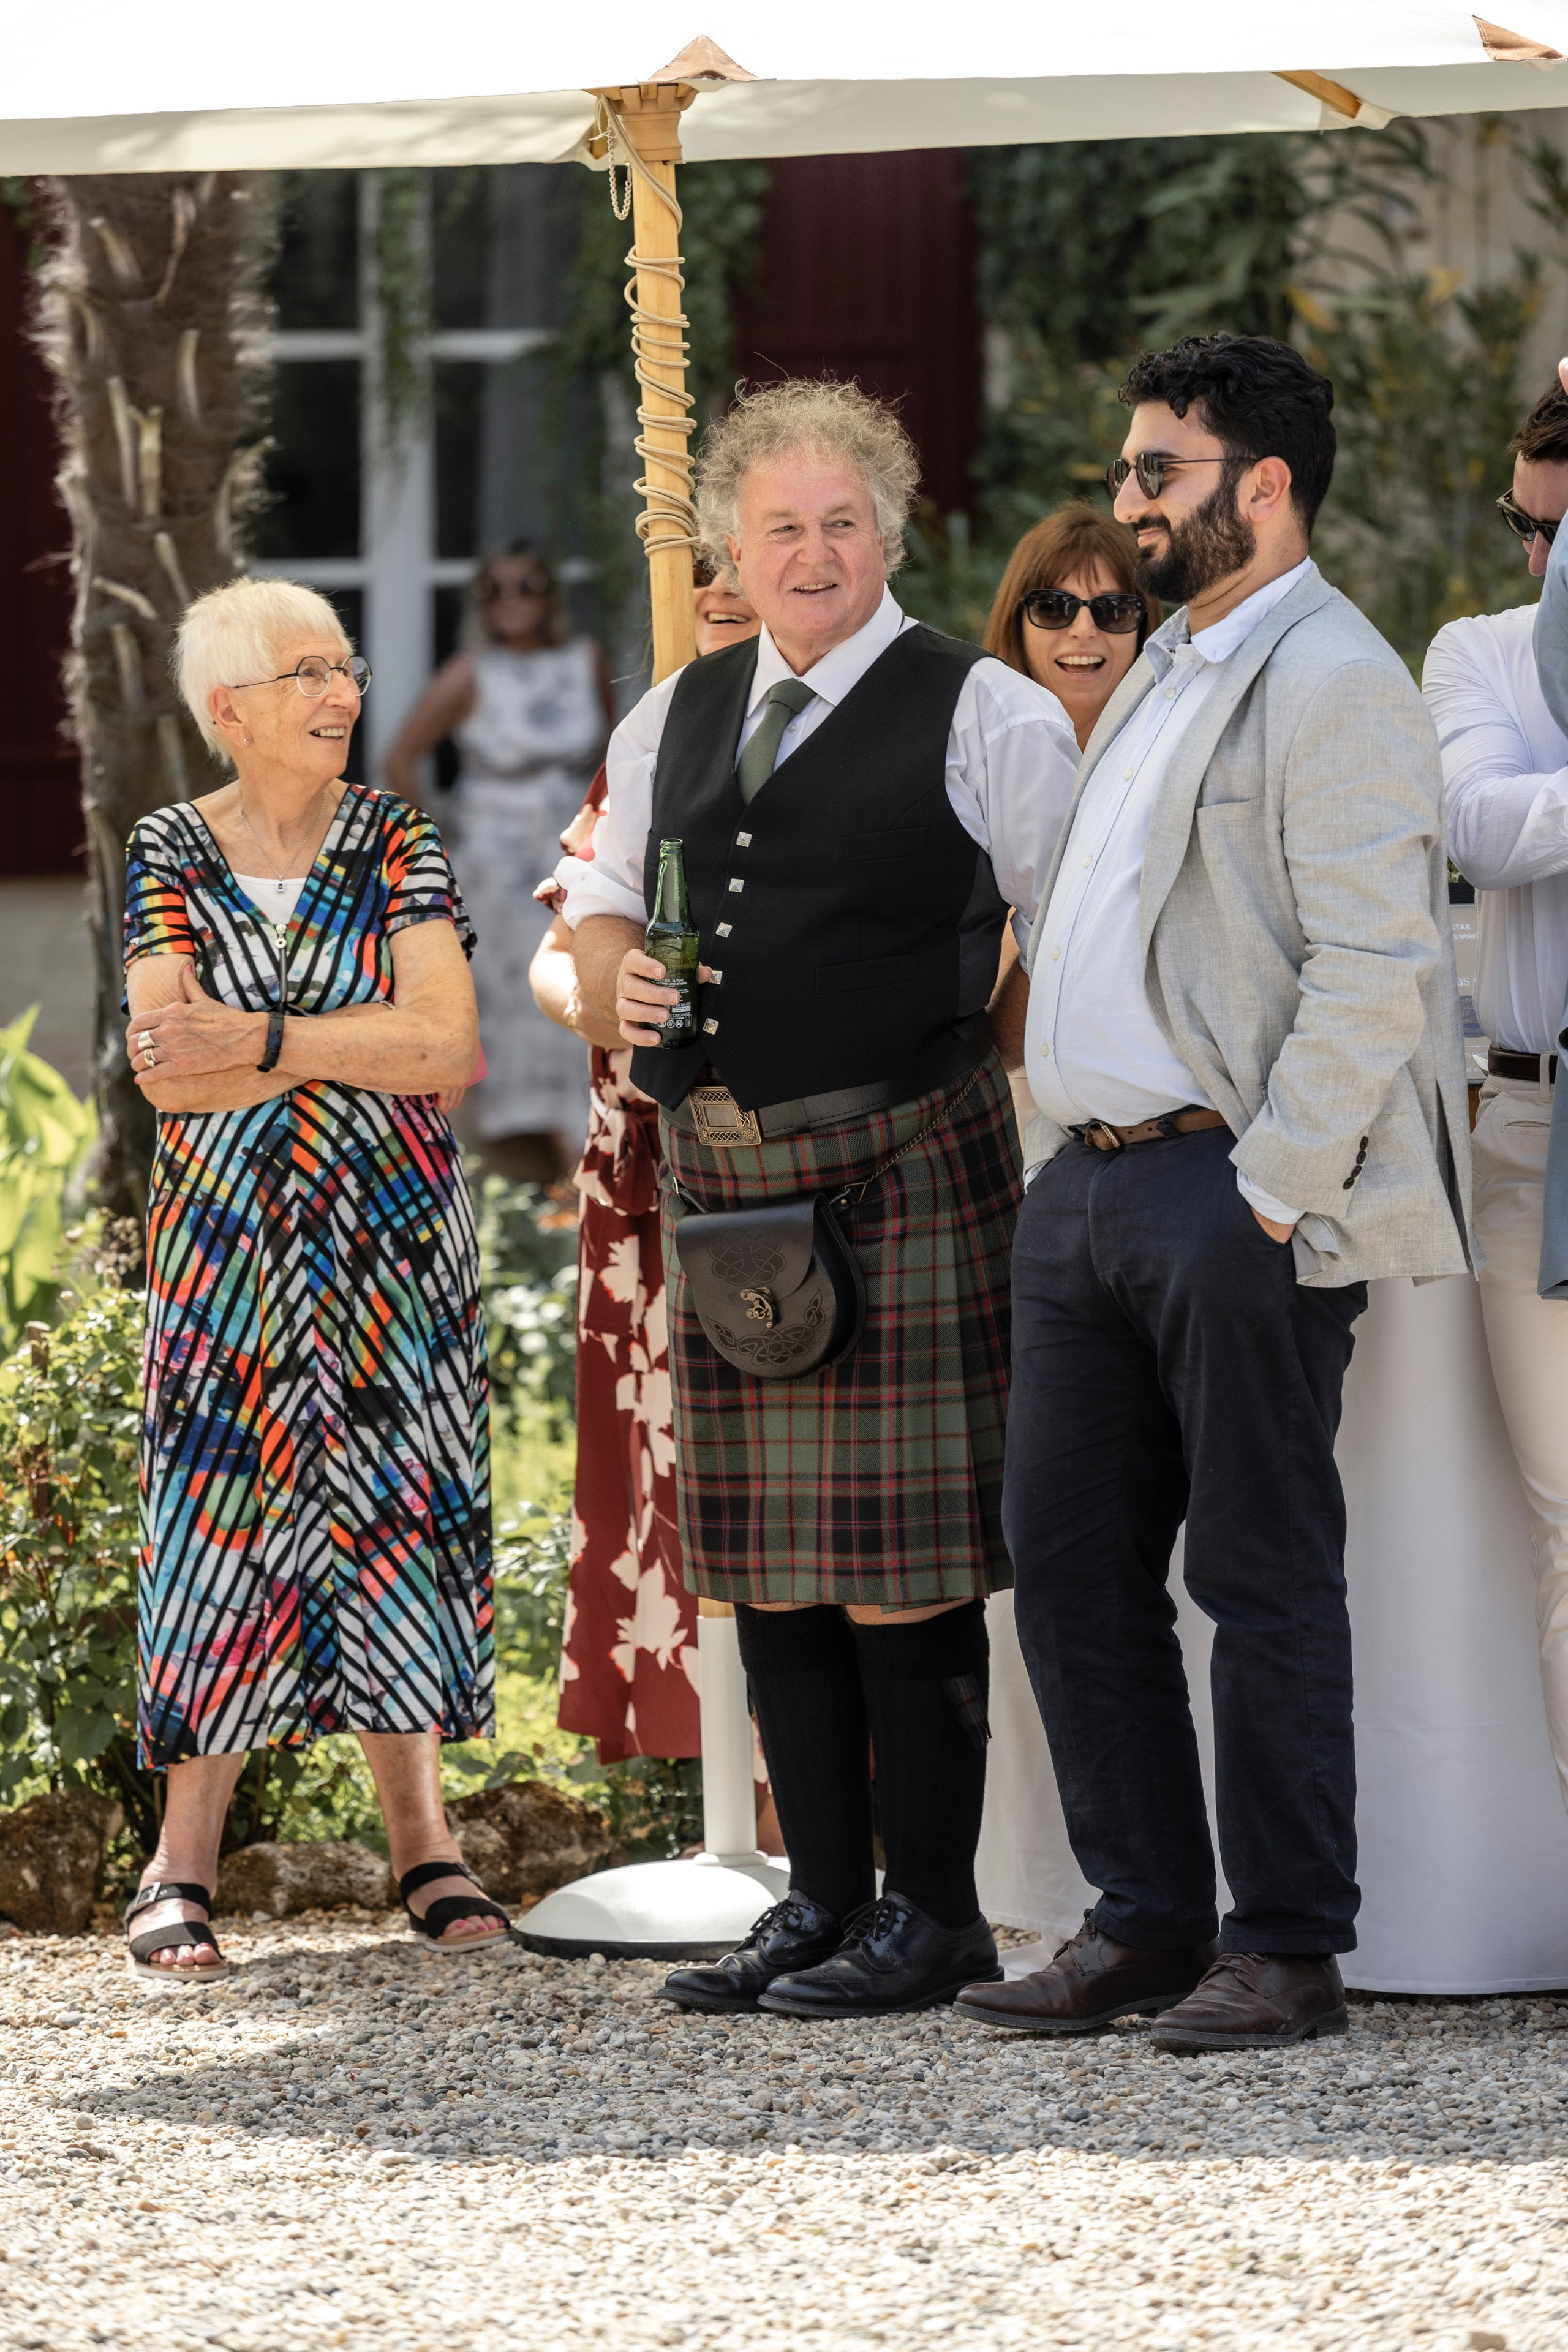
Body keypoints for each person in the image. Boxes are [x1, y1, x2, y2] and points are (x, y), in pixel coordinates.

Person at [957, 334, 1473, 2054]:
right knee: (1070, 1564)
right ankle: (1149, 1921)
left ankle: (1290, 1947)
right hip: (1085, 1192)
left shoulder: (1338, 678)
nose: (1127, 503)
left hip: (1221, 1194)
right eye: (1127, 472)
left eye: (1156, 472)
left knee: (1260, 1575)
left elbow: (1378, 964)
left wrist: (1267, 1190)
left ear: (1262, 487)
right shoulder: (1172, 665)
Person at [563, 379, 1080, 2019]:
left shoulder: (983, 707)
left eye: (840, 522)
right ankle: (825, 1902)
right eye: (781, 526)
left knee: (904, 1559)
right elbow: (592, 916)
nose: (812, 551)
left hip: (909, 1163)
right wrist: (613, 986)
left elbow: (1067, 931)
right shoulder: (684, 708)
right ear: (734, 542)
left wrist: (1012, 1092)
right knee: (770, 1558)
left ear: (891, 532)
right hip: (725, 1177)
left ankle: (937, 1917)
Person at [121, 577, 508, 1983]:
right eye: (308, 673)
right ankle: (180, 1862)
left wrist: (264, 1035)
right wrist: (352, 1033)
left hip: (390, 1241)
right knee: (219, 1520)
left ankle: (423, 1842)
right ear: (231, 707)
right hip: (227, 1246)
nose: (343, 691)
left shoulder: (399, 839)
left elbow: (446, 1049)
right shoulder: (168, 846)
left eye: (344, 667)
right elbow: (168, 1066)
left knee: (392, 1509)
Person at [527, 574, 765, 1775]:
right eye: (700, 573)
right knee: (669, 1468)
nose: (720, 593)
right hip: (643, 1173)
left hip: (784, 1156)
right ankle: (714, 1782)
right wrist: (603, 1006)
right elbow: (551, 955)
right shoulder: (646, 743)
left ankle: (803, 1814)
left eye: (746, 564)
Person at [1425, 364, 1568, 1825]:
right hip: (1534, 1120)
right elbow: (1474, 823)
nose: (1533, 562)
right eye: (1522, 527)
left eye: (1558, 536)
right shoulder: (1477, 651)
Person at [383, 543, 614, 1182]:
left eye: (528, 584)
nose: (513, 599)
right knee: (518, 1000)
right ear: (480, 603)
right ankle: (551, 1167)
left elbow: (618, 748)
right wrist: (434, 845)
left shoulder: (583, 659)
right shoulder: (470, 671)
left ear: (549, 594)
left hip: (573, 838)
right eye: (496, 589)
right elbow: (401, 756)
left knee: (584, 976)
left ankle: (584, 1156)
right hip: (498, 851)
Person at [982, 506, 1161, 1087]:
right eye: (1053, 607)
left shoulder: (1178, 767)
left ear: (1145, 626)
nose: (1083, 631)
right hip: (980, 1104)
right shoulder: (960, 761)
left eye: (1113, 609)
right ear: (1017, 621)